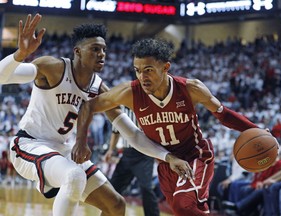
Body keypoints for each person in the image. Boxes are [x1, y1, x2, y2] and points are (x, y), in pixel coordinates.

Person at [0, 14, 192, 216]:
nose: (102, 54)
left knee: (116, 205)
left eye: (104, 50)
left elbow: (132, 134)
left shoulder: (99, 89)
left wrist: (167, 156)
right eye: (95, 49)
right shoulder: (53, 68)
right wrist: (20, 54)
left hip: (61, 149)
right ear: (77, 52)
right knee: (74, 176)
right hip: (28, 144)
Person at [75, 38, 261, 215]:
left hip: (195, 156)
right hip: (165, 163)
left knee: (183, 205)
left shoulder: (190, 88)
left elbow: (224, 114)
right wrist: (81, 141)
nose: (142, 76)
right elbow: (88, 106)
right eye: (137, 70)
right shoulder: (130, 92)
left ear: (165, 68)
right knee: (186, 211)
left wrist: (255, 129)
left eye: (148, 70)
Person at [104, 106, 160, 216]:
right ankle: (107, 213)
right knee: (113, 187)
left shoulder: (146, 107)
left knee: (146, 188)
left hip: (144, 154)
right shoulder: (120, 109)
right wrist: (111, 150)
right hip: (127, 154)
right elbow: (116, 132)